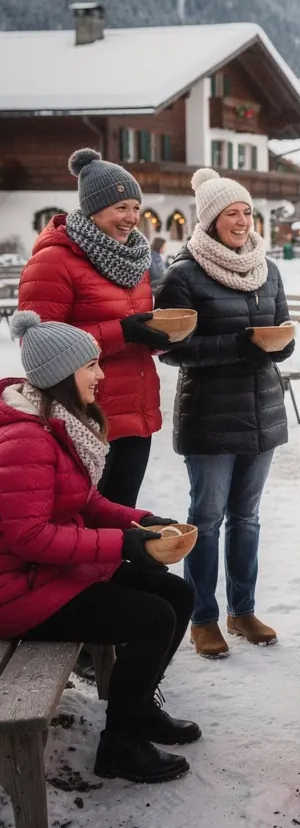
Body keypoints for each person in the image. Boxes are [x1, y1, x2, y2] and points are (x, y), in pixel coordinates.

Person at [0, 311, 198, 783]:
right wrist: (123, 544)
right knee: (154, 618)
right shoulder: (26, 438)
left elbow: (85, 502)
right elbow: (29, 537)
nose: (101, 374)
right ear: (61, 374)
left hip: (46, 575)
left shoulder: (56, 421)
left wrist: (141, 521)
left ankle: (139, 710)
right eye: (91, 366)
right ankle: (121, 745)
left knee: (177, 593)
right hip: (18, 592)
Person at [154, 168, 293, 659]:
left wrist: (280, 346)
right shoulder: (184, 274)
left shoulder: (267, 269)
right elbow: (171, 348)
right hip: (209, 414)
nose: (241, 221)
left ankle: (242, 610)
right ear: (211, 220)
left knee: (247, 518)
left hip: (262, 411)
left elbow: (279, 328)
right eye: (231, 213)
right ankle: (202, 617)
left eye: (246, 212)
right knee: (207, 519)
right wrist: (239, 346)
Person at [18, 149, 170, 508]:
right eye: (121, 207)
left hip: (135, 413)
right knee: (85, 522)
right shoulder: (54, 261)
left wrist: (160, 338)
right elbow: (38, 346)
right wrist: (123, 332)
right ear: (93, 209)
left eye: (136, 207)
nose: (132, 218)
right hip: (84, 416)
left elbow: (135, 327)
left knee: (123, 517)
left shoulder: (134, 259)